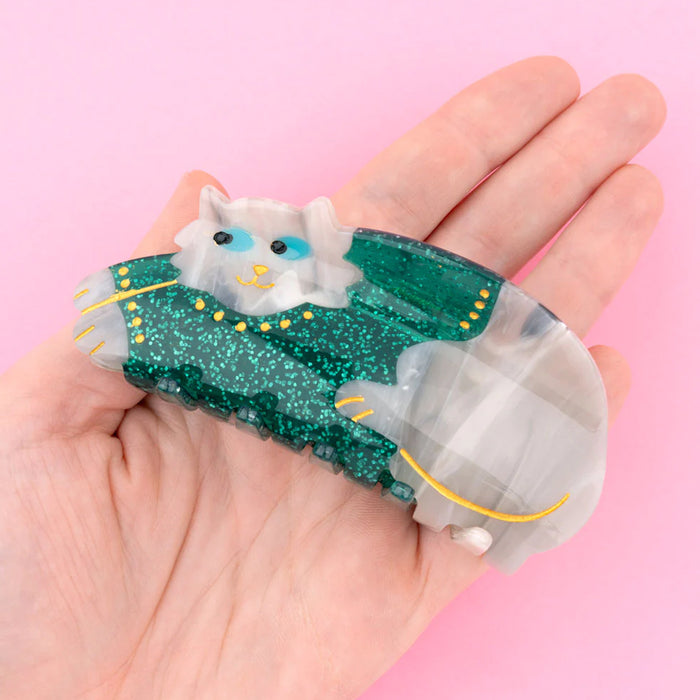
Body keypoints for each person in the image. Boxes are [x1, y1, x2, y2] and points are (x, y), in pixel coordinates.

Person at [0, 57, 665, 698]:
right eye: (231, 243)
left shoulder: (375, 306)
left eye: (279, 249)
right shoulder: (189, 298)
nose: (257, 265)